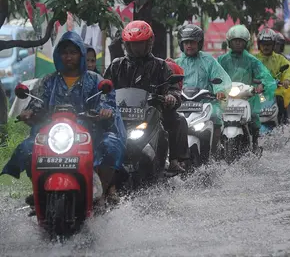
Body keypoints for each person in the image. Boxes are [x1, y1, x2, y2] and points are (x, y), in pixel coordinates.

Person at [1, 31, 126, 205]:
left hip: (89, 130)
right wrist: (28, 112)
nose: (68, 57)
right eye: (65, 52)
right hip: (54, 131)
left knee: (111, 145)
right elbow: (37, 102)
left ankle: (103, 191)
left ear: (81, 54)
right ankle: (39, 188)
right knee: (28, 148)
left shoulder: (95, 79)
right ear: (58, 55)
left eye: (73, 52)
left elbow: (106, 99)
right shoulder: (48, 81)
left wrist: (104, 110)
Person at [104, 21, 189, 173]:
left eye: (140, 43)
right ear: (127, 45)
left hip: (151, 115)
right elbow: (105, 88)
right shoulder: (117, 65)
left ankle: (170, 162)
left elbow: (174, 89)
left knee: (172, 125)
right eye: (133, 44)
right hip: (120, 116)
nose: (136, 48)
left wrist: (171, 97)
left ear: (149, 43)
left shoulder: (161, 66)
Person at [175, 24, 232, 154]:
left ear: (199, 43)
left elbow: (221, 78)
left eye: (193, 42)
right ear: (181, 44)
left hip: (205, 104)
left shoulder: (208, 61)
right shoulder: (176, 63)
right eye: (186, 42)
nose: (189, 45)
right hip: (182, 105)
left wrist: (220, 91)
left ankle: (214, 150)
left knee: (215, 116)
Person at [217, 24, 276, 151]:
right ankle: (215, 147)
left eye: (241, 41)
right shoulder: (221, 60)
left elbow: (265, 76)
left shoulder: (252, 60)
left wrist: (261, 85)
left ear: (246, 43)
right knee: (214, 119)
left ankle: (254, 143)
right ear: (229, 42)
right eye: (235, 41)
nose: (238, 43)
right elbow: (213, 75)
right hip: (225, 97)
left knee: (254, 117)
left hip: (247, 97)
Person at [255, 28, 290, 124]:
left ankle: (283, 126)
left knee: (280, 102)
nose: (266, 47)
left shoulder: (280, 59)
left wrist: (287, 79)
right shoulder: (254, 59)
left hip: (275, 92)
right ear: (259, 45)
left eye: (269, 44)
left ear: (273, 45)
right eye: (263, 44)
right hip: (259, 93)